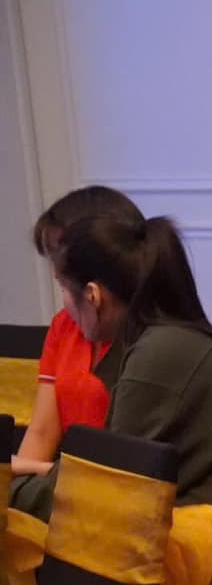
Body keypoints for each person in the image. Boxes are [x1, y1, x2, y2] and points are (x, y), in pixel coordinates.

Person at [10, 215, 212, 585]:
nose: (64, 306)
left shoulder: (158, 354)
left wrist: (9, 486)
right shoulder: (167, 341)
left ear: (92, 295)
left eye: (64, 289)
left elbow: (101, 488)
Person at [11, 185, 141, 477]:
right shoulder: (64, 326)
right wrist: (18, 482)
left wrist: (34, 470)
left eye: (61, 256)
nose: (56, 272)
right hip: (64, 481)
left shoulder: (148, 336)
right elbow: (41, 433)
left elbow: (130, 467)